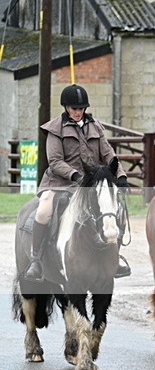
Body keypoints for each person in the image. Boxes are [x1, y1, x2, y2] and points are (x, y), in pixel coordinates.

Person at [24, 84, 130, 282]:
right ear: (66, 107)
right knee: (44, 210)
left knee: (116, 208)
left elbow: (109, 154)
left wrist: (121, 175)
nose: (78, 112)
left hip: (91, 183)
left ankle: (115, 257)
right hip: (60, 182)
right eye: (74, 108)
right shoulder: (55, 129)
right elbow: (55, 161)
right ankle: (36, 260)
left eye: (81, 108)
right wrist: (75, 175)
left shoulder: (95, 127)